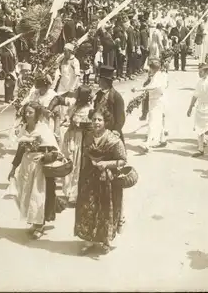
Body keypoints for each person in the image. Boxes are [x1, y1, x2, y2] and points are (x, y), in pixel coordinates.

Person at [74, 108, 127, 255]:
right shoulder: (88, 136)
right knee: (88, 207)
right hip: (89, 178)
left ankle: (106, 241)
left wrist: (106, 164)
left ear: (105, 122)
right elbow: (84, 156)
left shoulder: (114, 139)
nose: (96, 122)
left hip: (107, 179)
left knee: (106, 209)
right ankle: (89, 239)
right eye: (94, 120)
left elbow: (123, 161)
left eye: (99, 120)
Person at [7, 101, 63, 239]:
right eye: (26, 112)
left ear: (37, 114)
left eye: (30, 112)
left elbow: (55, 150)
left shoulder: (43, 129)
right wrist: (13, 168)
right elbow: (20, 150)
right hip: (27, 165)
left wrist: (45, 156)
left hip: (40, 166)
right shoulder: (23, 128)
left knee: (38, 195)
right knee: (26, 194)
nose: (27, 115)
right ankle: (34, 222)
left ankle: (40, 224)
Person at [132, 58, 168, 152]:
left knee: (152, 122)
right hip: (160, 99)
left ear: (153, 69)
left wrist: (138, 89)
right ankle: (162, 139)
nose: (149, 71)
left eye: (150, 69)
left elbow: (153, 86)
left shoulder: (156, 77)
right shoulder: (162, 74)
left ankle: (147, 144)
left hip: (156, 101)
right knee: (159, 121)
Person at [93, 66, 126, 143]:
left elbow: (121, 117)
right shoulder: (99, 94)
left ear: (106, 82)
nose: (98, 82)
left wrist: (116, 130)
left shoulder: (116, 97)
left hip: (111, 131)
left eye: (100, 80)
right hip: (99, 129)